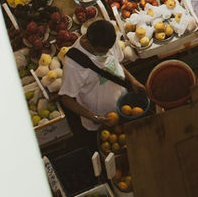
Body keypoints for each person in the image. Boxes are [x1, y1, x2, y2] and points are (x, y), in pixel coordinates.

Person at [59, 20, 144, 149]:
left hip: (123, 105)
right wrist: (94, 117)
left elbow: (117, 62)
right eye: (101, 51)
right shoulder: (73, 64)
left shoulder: (109, 38)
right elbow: (67, 99)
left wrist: (132, 80)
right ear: (87, 41)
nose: (106, 53)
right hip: (101, 118)